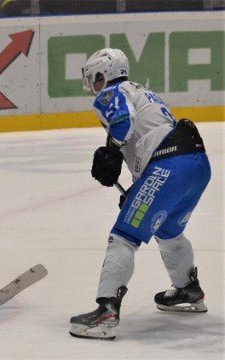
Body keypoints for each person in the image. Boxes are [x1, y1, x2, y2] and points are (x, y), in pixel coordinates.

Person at [69, 48, 211, 340]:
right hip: (195, 165)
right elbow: (150, 135)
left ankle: (106, 311)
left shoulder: (111, 92)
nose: (92, 86)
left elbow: (123, 121)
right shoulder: (141, 91)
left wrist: (110, 151)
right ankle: (187, 289)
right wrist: (139, 186)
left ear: (102, 74)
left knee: (124, 235)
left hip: (169, 166)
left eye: (93, 78)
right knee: (169, 232)